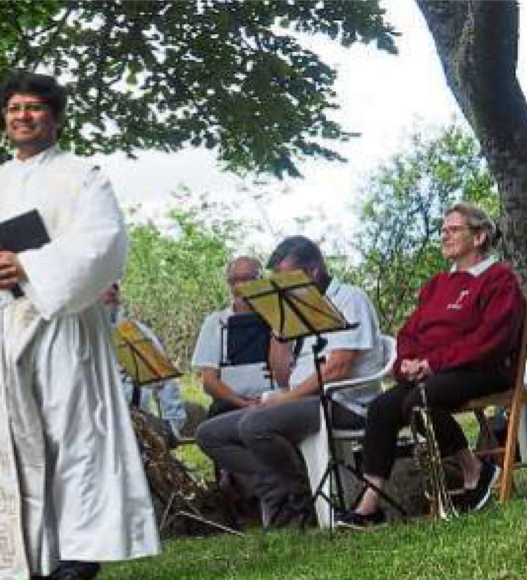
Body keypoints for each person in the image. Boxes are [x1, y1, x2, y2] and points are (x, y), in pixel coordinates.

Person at [0, 72, 159, 580]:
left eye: (34, 108)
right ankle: (35, 561)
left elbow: (101, 243)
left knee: (72, 437)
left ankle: (78, 561)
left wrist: (27, 265)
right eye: (14, 108)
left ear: (54, 118)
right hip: (4, 328)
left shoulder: (84, 176)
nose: (22, 117)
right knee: (15, 441)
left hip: (62, 323)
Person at [340, 203, 524, 527]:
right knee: (383, 407)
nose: (444, 235)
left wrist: (432, 363)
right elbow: (409, 332)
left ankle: (476, 470)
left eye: (454, 229)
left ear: (480, 235)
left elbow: (491, 341)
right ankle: (370, 506)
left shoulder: (499, 279)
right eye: (443, 229)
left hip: (485, 370)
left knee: (419, 400)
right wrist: (407, 363)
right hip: (436, 374)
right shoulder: (437, 285)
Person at [196, 236, 385, 528]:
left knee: (254, 425)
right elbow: (283, 375)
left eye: (286, 279)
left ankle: (302, 497)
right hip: (302, 398)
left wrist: (289, 398)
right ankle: (278, 484)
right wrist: (278, 326)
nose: (280, 288)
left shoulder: (350, 298)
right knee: (210, 434)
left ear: (312, 272)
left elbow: (339, 368)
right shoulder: (299, 306)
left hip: (343, 401)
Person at [191, 256, 282, 418]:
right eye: (233, 280)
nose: (239, 286)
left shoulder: (280, 317)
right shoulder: (215, 322)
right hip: (229, 406)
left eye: (247, 279)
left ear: (261, 280)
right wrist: (244, 404)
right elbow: (209, 382)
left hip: (274, 403)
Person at [101, 282, 186, 443]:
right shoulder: (79, 335)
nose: (112, 291)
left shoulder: (137, 331)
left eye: (116, 286)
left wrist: (173, 423)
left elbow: (165, 381)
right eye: (104, 284)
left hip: (138, 422)